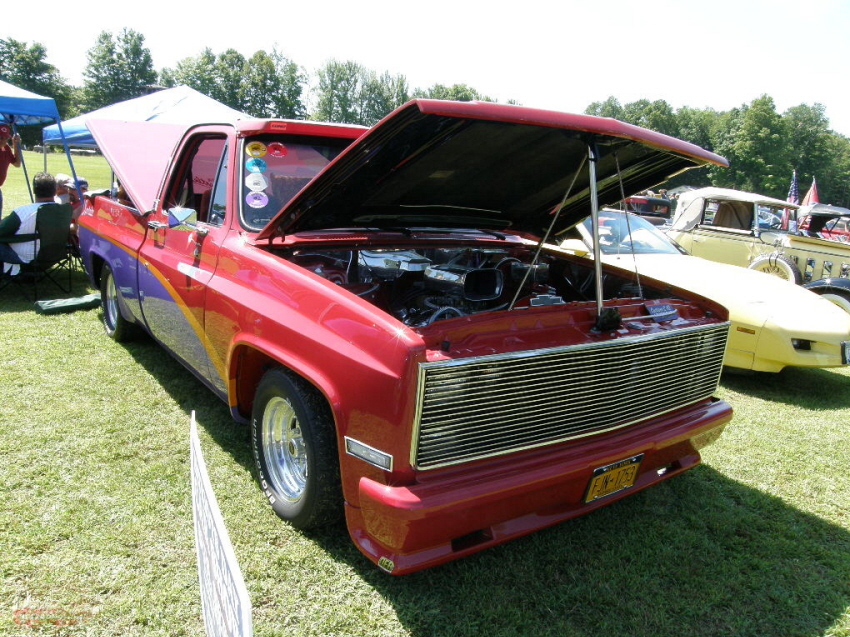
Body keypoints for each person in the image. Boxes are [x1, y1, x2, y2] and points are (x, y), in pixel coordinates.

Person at [0, 172, 57, 275]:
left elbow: (2, 231)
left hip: (23, 257)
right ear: (55, 191)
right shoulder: (64, 211)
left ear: (34, 190)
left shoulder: (23, 212)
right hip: (53, 255)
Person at [0, 123, 23, 218]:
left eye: (5, 138)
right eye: (1, 137)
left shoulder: (6, 149)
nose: (3, 141)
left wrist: (16, 144)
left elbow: (17, 164)